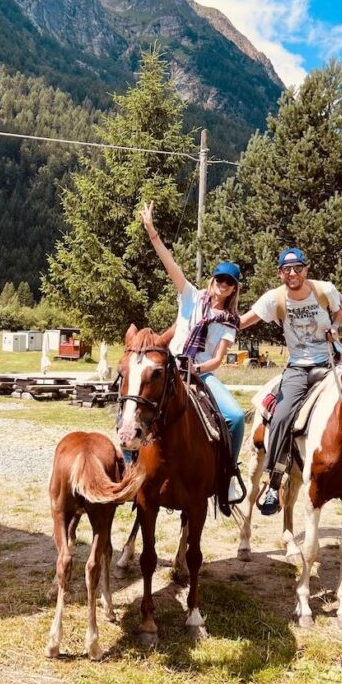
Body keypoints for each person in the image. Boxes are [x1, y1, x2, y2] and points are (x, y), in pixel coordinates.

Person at [239, 247, 342, 516]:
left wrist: (335, 326)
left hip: (330, 362)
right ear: (280, 273)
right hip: (298, 367)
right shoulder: (274, 298)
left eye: (298, 268)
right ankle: (275, 481)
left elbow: (339, 306)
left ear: (306, 269)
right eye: (287, 270)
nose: (293, 273)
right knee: (282, 415)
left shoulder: (324, 290)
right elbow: (243, 322)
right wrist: (215, 319)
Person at [140, 201, 245, 503]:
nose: (222, 285)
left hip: (201, 373)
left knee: (236, 417)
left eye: (229, 282)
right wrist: (152, 232)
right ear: (212, 280)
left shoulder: (229, 322)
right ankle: (131, 464)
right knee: (134, 402)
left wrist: (198, 370)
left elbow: (218, 359)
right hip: (171, 368)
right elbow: (169, 263)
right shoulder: (189, 295)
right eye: (219, 279)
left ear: (234, 288)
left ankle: (228, 475)